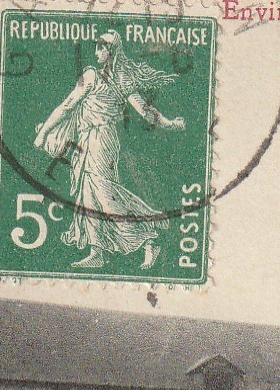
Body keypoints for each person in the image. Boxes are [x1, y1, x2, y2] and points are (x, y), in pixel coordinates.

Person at [33, 31, 187, 270]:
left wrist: (169, 124)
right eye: (96, 47)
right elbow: (69, 105)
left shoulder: (105, 77)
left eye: (102, 47)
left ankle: (148, 239)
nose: (97, 52)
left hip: (101, 141)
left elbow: (144, 110)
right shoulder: (101, 76)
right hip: (86, 140)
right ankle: (97, 252)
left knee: (104, 194)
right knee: (88, 196)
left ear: (112, 50)